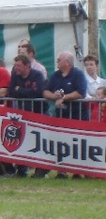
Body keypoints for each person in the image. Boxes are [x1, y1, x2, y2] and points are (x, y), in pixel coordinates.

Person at [42, 51, 88, 179]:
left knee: (77, 142)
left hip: (77, 115)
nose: (57, 62)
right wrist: (54, 96)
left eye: (59, 60)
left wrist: (64, 97)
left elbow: (81, 92)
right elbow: (45, 91)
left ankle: (77, 171)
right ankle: (61, 171)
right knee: (61, 142)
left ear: (67, 62)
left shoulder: (77, 74)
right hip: (61, 115)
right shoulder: (56, 75)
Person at [8, 54, 47, 177]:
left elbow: (38, 92)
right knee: (22, 140)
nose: (16, 68)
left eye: (19, 66)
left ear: (27, 66)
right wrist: (22, 92)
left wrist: (20, 91)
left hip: (39, 112)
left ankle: (40, 170)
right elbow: (12, 92)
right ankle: (21, 169)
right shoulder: (15, 76)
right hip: (22, 113)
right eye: (15, 66)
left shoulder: (37, 75)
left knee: (39, 141)